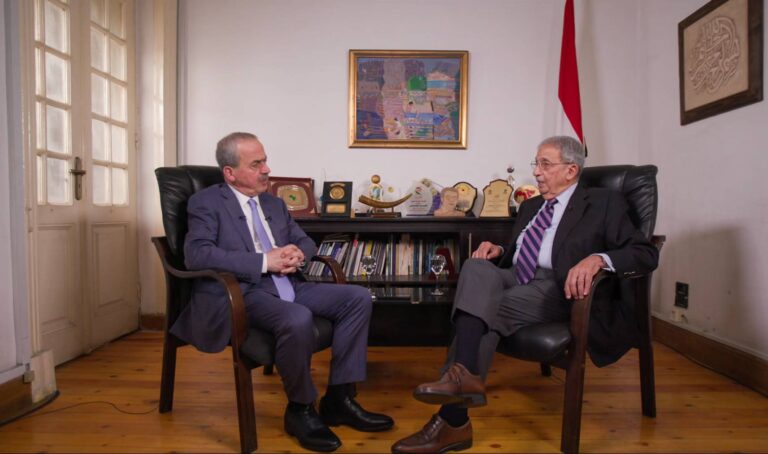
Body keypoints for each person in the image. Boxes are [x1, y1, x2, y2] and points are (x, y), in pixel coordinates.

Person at [391, 136, 659, 453]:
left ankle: (453, 419)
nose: (536, 172)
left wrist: (598, 259)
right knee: (475, 267)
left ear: (571, 170)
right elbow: (525, 248)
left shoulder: (603, 203)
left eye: (545, 164)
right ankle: (462, 381)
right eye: (536, 163)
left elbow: (644, 252)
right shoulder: (531, 206)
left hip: (559, 286)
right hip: (517, 275)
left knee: (482, 309)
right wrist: (499, 248)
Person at [174, 132, 393, 452]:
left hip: (289, 283)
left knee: (357, 298)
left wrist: (297, 253)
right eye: (256, 164)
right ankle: (300, 409)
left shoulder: (274, 203)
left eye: (265, 161)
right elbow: (197, 255)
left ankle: (340, 398)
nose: (267, 169)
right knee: (297, 317)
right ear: (230, 173)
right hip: (243, 290)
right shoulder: (206, 203)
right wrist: (265, 261)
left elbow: (303, 239)